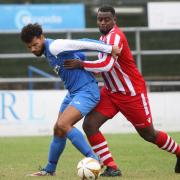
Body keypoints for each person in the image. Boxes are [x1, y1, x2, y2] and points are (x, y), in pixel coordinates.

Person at [64, 5, 180, 177]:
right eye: (100, 19)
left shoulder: (116, 37)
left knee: (148, 134)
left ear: (114, 20)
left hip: (131, 94)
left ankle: (179, 152)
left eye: (106, 19)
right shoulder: (102, 38)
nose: (102, 22)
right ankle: (111, 167)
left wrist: (82, 65)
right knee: (90, 125)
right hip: (111, 93)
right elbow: (102, 65)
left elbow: (106, 65)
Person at [20, 23, 121, 176]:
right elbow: (79, 55)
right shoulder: (48, 51)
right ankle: (49, 170)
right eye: (29, 47)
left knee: (63, 124)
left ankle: (94, 160)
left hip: (87, 91)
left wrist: (109, 48)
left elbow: (83, 42)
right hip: (74, 92)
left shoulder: (55, 46)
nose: (33, 49)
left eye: (35, 44)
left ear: (42, 37)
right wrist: (81, 63)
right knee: (58, 129)